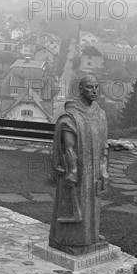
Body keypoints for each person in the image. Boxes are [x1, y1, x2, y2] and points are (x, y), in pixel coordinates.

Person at [49, 75, 109, 255]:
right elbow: (68, 147)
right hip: (77, 170)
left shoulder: (100, 114)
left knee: (93, 203)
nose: (95, 91)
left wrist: (104, 169)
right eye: (90, 87)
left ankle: (91, 237)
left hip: (94, 169)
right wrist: (72, 170)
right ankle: (69, 239)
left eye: (96, 87)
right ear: (81, 89)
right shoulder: (71, 116)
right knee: (76, 205)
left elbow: (104, 144)